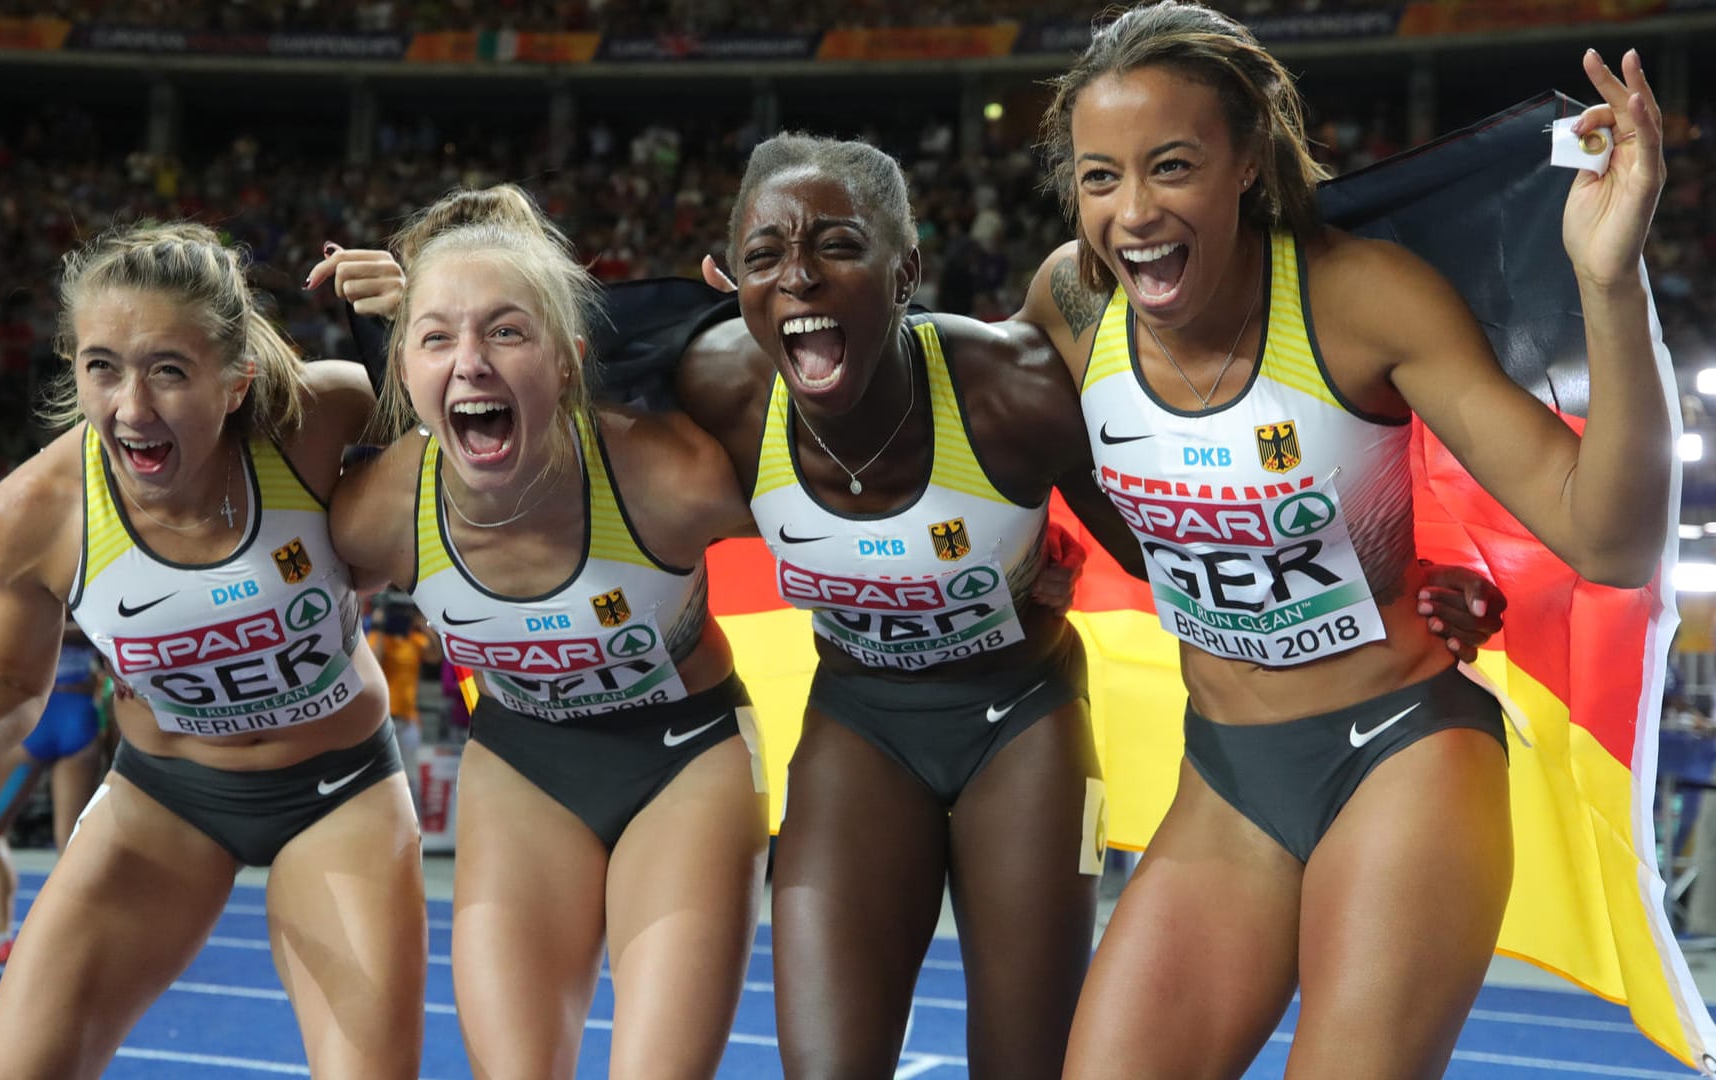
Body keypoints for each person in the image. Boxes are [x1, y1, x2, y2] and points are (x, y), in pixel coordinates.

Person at [679, 131, 1508, 1077]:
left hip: (1019, 726)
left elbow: (1189, 524)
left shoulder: (1013, 393)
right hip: (858, 722)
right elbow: (571, 460)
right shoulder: (712, 392)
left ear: (905, 269)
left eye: (835, 245)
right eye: (763, 258)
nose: (798, 278)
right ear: (728, 281)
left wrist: (1408, 578)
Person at [1021, 5, 1670, 1077]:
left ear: (1246, 165)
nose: (1132, 212)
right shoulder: (1069, 301)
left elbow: (1611, 543)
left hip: (1403, 756)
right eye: (1099, 178)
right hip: (1224, 779)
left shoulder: (1361, 299)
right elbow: (984, 438)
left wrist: (1610, 282)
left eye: (1171, 165)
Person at [0, 222, 425, 1078]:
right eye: (101, 367)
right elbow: (8, 681)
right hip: (166, 800)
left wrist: (417, 319)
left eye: (168, 370)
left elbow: (487, 432)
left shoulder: (320, 415)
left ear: (237, 382)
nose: (131, 406)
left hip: (339, 792)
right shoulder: (34, 513)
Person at [322, 186, 770, 1078]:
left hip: (686, 759)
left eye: (506, 332)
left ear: (569, 362)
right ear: (403, 370)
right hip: (522, 765)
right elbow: (278, 590)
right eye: (437, 336)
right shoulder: (377, 516)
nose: (472, 363)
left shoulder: (667, 478)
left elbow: (849, 514)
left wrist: (1034, 576)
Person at [0, 623, 107, 975]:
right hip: (77, 710)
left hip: (31, 717)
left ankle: (1, 940)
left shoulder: (19, 578)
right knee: (72, 848)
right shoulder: (92, 577)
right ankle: (75, 951)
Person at [365, 597, 434, 824]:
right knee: (380, 777)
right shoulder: (378, 638)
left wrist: (423, 624)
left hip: (408, 719)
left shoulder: (413, 640)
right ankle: (381, 824)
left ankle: (412, 825)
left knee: (411, 776)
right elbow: (373, 661)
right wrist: (379, 626)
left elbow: (435, 656)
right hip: (381, 720)